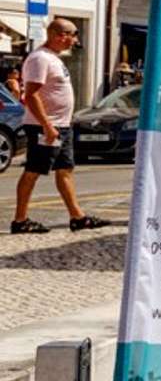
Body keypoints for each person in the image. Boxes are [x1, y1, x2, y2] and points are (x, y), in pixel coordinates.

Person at [11, 21, 109, 233]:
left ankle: (77, 217)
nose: (75, 40)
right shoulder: (40, 59)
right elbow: (31, 95)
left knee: (65, 169)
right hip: (46, 127)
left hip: (61, 126)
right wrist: (47, 125)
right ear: (59, 35)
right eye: (73, 35)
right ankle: (20, 221)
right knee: (33, 170)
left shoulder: (54, 58)